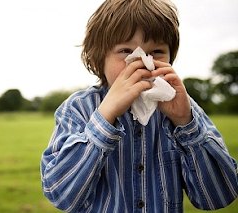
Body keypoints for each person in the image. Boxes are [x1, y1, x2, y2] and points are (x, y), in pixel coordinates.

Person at [40, 0, 238, 212]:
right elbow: (60, 194)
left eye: (157, 52)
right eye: (126, 50)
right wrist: (105, 117)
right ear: (99, 59)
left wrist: (185, 122)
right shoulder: (78, 108)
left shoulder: (184, 110)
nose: (143, 61)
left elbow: (218, 196)